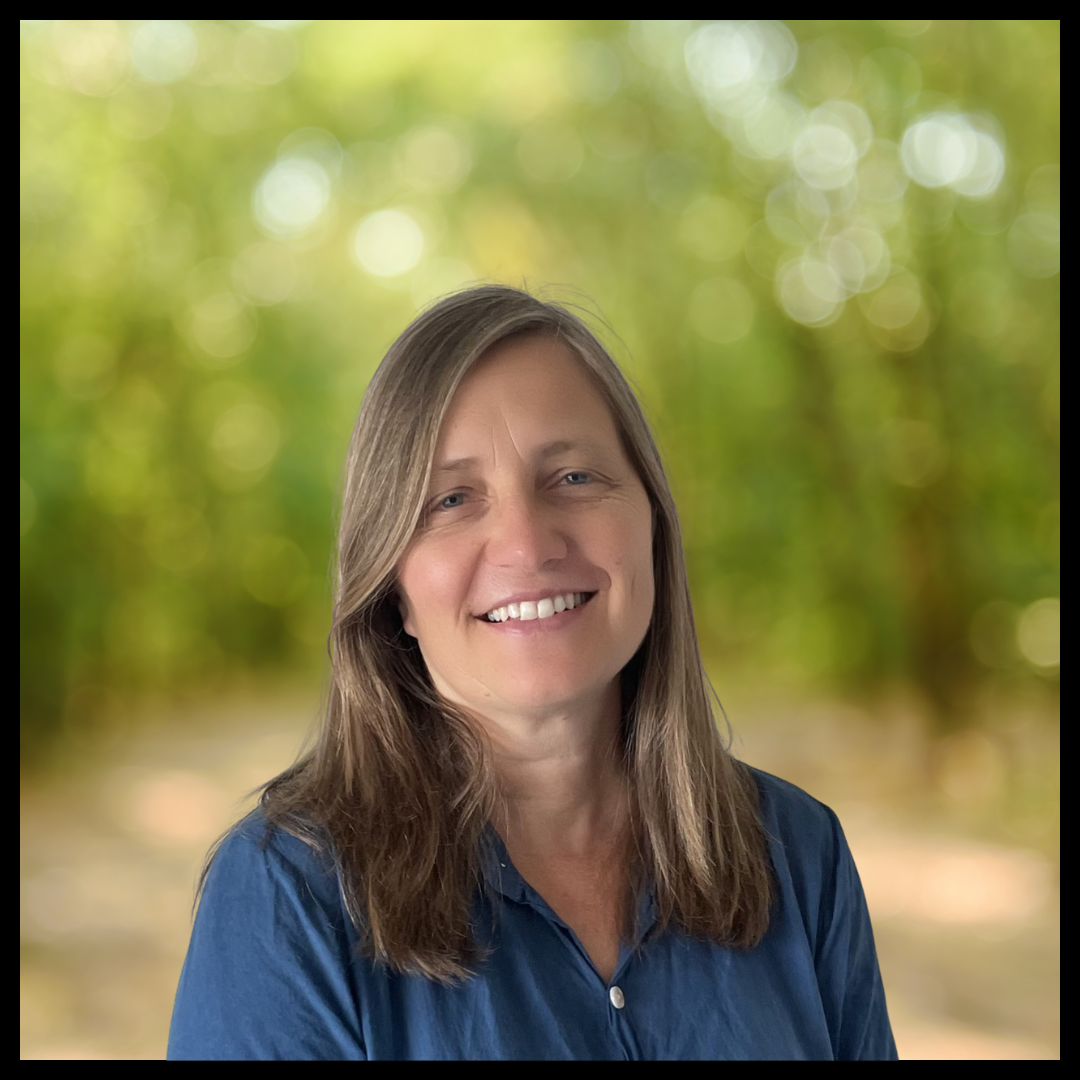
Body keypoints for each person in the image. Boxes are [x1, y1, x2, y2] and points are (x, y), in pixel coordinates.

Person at [167, 285, 898, 1060]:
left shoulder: (799, 854)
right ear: (394, 590)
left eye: (575, 478)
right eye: (451, 499)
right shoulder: (287, 898)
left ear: (652, 525)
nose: (526, 543)